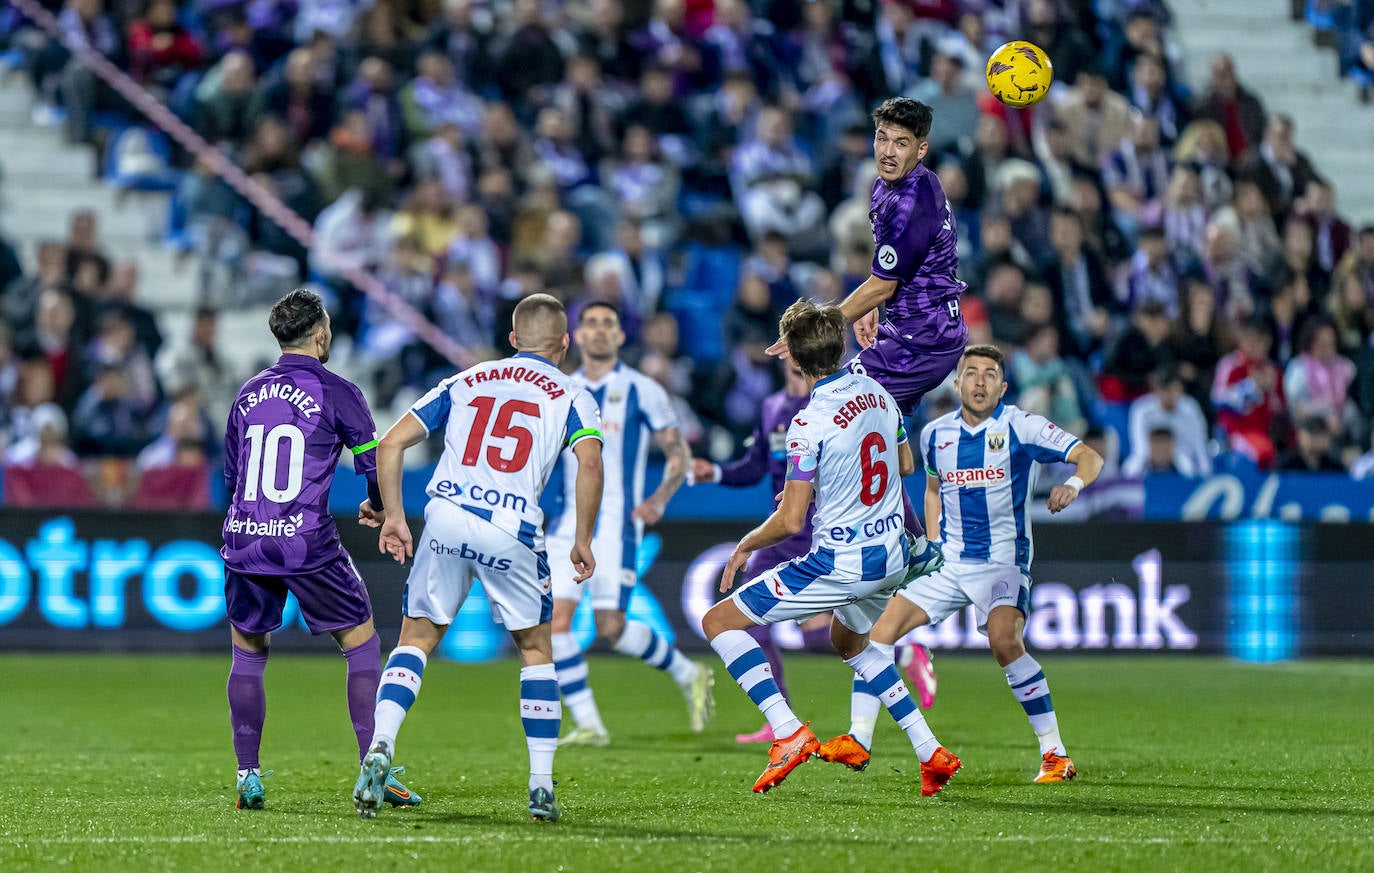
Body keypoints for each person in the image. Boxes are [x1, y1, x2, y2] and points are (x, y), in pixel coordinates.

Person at [353, 294, 604, 824]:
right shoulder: (574, 394)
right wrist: (582, 537)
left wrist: (393, 515)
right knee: (536, 651)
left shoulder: (467, 379)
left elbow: (390, 444)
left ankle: (381, 745)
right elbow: (589, 463)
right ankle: (540, 785)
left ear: (512, 340)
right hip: (512, 528)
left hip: (446, 516)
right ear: (565, 344)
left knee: (416, 639)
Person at [702, 301, 961, 797]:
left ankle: (786, 730)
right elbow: (903, 464)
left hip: (843, 561)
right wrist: (833, 485)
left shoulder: (807, 422)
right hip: (892, 555)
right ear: (841, 347)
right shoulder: (881, 395)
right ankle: (930, 753)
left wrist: (746, 543)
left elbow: (790, 520)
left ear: (794, 361)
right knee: (848, 644)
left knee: (718, 623)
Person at [817, 344, 1103, 784]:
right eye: (971, 372)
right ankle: (859, 738)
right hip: (948, 562)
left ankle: (1055, 754)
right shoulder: (935, 434)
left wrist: (1074, 483)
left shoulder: (1021, 426)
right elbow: (932, 490)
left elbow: (1090, 455)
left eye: (990, 374)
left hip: (1002, 562)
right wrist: (931, 544)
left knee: (1005, 643)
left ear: (1003, 387)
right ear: (957, 383)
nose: (980, 381)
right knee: (876, 632)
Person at [221, 289, 418, 811]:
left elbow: (232, 475)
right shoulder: (338, 391)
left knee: (249, 651)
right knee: (360, 641)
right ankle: (374, 768)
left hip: (245, 535)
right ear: (321, 334)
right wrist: (381, 509)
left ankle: (247, 775)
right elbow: (372, 465)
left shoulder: (246, 394)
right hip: (304, 539)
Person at [692, 361, 938, 745]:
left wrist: (914, 531)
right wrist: (718, 474)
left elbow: (889, 477)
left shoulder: (820, 413)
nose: (794, 370)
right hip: (787, 528)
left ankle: (784, 723)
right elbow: (755, 465)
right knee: (807, 635)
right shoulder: (774, 408)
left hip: (820, 532)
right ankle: (904, 667)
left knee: (744, 621)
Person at [766, 96, 959, 582]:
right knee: (877, 431)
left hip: (924, 338)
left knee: (835, 399)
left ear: (922, 150)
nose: (888, 151)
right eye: (881, 138)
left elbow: (886, 282)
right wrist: (871, 309)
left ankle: (881, 530)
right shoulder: (883, 189)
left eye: (901, 142)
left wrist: (814, 326)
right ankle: (906, 537)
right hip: (911, 329)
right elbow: (886, 277)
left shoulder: (913, 197)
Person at [548, 302, 713, 747]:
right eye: (591, 324)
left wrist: (660, 498)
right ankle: (590, 725)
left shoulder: (643, 389)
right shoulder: (558, 389)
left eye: (609, 324)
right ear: (575, 337)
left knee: (611, 629)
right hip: (566, 525)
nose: (600, 332)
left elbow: (678, 454)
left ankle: (686, 671)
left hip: (616, 526)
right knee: (555, 622)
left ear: (621, 337)